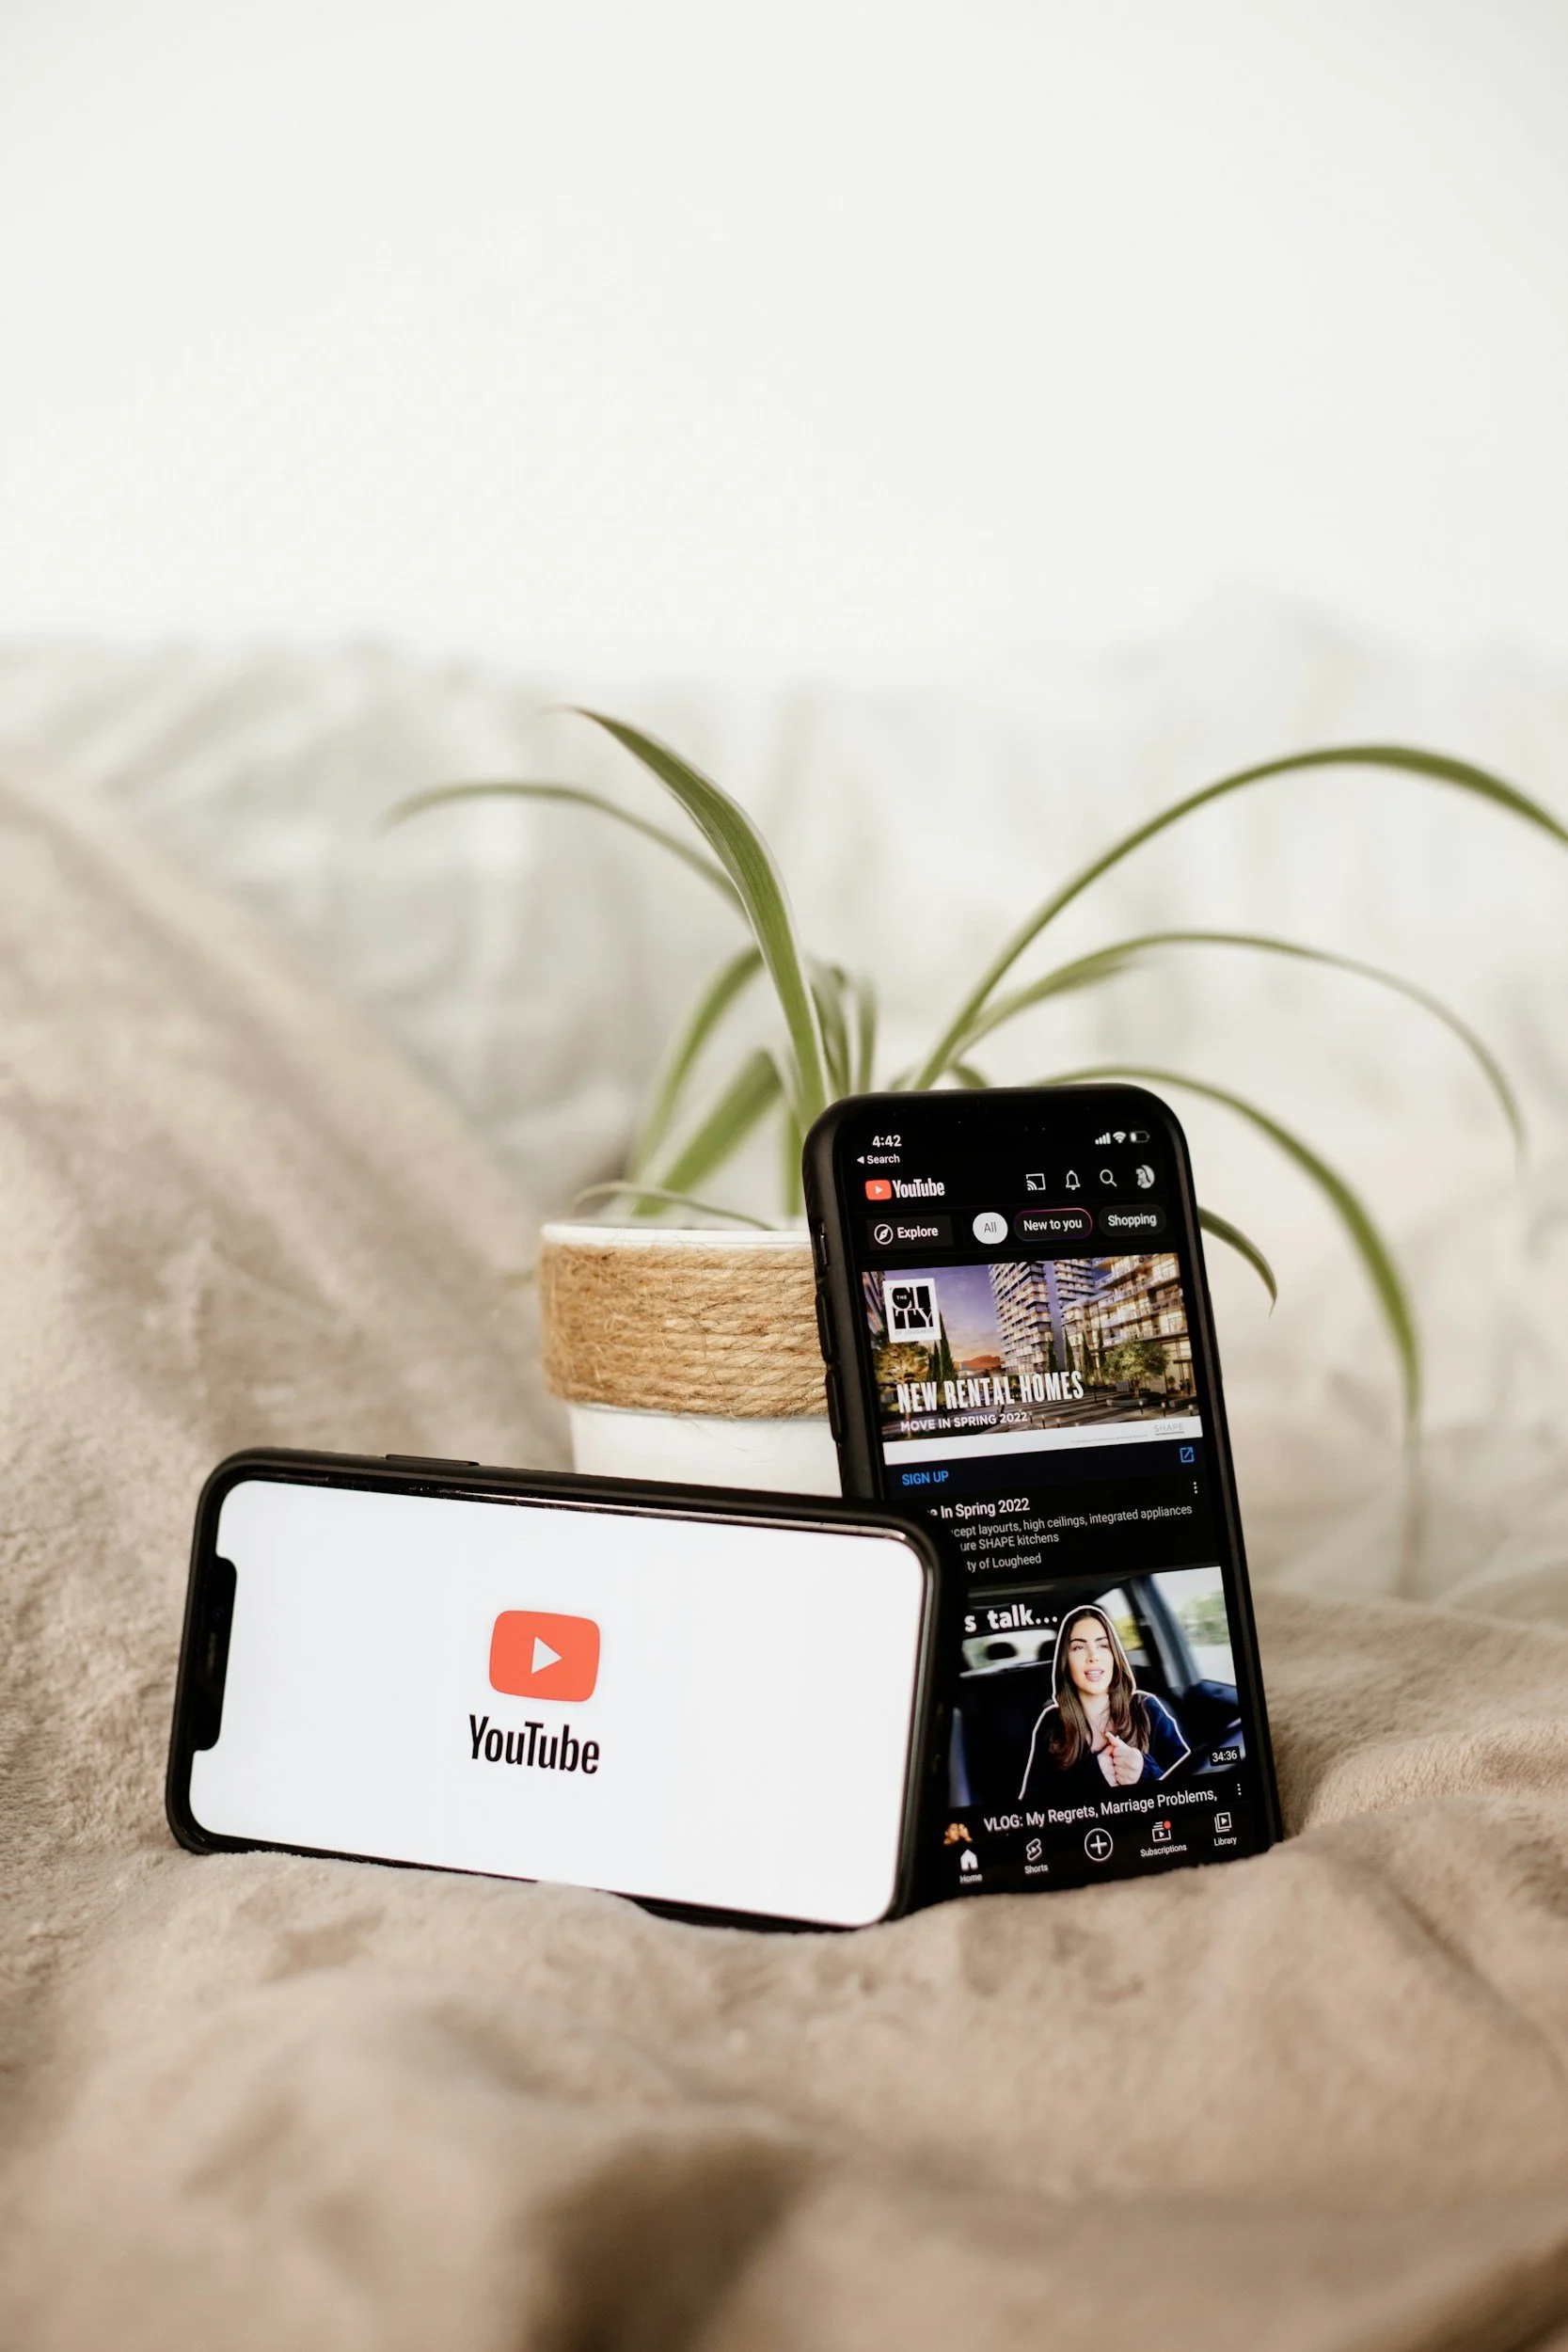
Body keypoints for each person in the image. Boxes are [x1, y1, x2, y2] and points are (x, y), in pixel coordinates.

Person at [1018, 1603, 1188, 1803]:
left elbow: (1194, 1789)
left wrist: (1147, 1773)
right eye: (1079, 1647)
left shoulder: (1148, 1709)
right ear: (1066, 1660)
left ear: (1114, 1655)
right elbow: (1033, 1809)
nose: (1093, 1657)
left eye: (1103, 1645)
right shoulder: (1051, 1723)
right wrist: (1092, 1778)